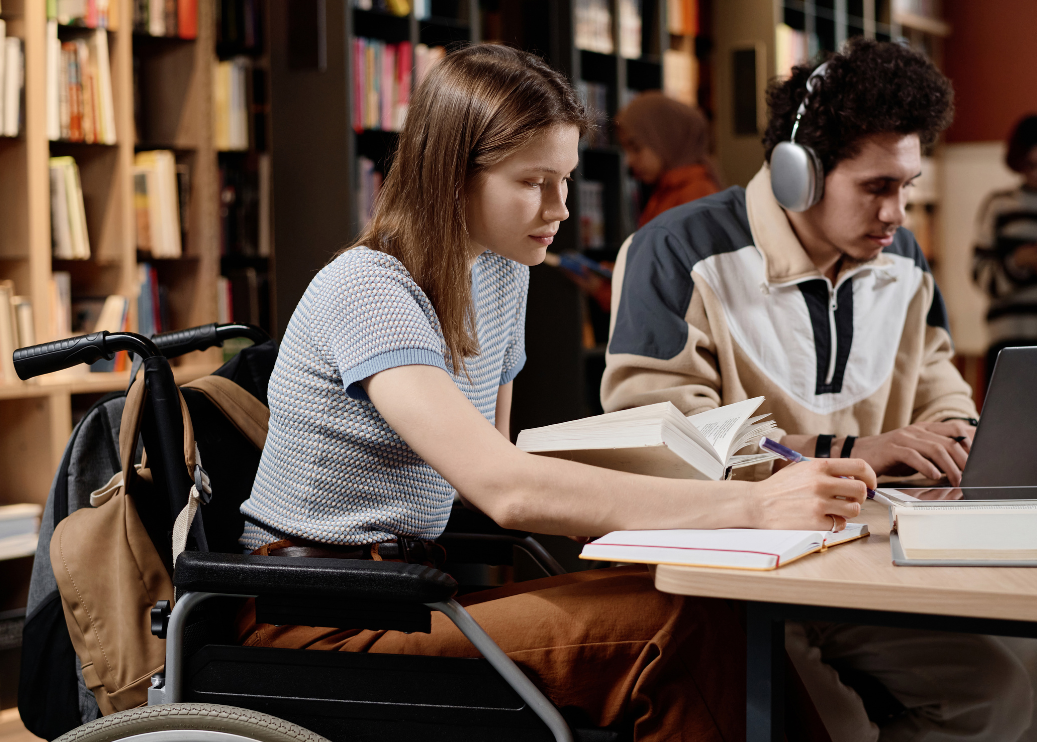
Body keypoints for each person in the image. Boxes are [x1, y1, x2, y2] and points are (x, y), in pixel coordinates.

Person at [236, 44, 875, 741]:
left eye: (566, 180)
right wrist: (750, 505)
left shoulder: (500, 275)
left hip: (413, 592)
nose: (561, 208)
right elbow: (504, 487)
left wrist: (678, 490)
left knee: (703, 604)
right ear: (452, 174)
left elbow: (499, 465)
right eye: (535, 182)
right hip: (320, 620)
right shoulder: (368, 289)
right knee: (677, 625)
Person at [602, 40, 1033, 740]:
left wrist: (958, 435)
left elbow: (940, 383)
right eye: (877, 187)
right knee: (835, 729)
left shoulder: (903, 259)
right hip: (736, 575)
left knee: (992, 696)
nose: (898, 213)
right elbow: (659, 441)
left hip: (861, 566)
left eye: (907, 186)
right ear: (798, 174)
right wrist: (850, 449)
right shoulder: (677, 251)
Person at [972, 113, 1037, 387]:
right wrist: (1019, 262)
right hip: (1008, 344)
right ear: (1018, 162)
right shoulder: (999, 205)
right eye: (1031, 165)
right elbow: (980, 276)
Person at [615, 92, 721, 227]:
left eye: (636, 148)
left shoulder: (696, 194)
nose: (628, 160)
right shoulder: (667, 190)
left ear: (666, 139)